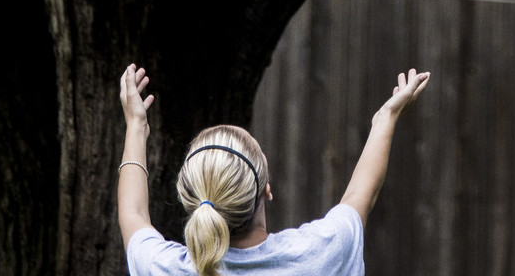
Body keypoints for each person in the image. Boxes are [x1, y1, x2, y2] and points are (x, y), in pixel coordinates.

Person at [119, 62, 430, 276]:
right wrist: (386, 118)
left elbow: (133, 214)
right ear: (266, 190)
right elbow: (361, 196)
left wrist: (136, 124)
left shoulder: (164, 267)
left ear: (193, 199)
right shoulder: (320, 255)